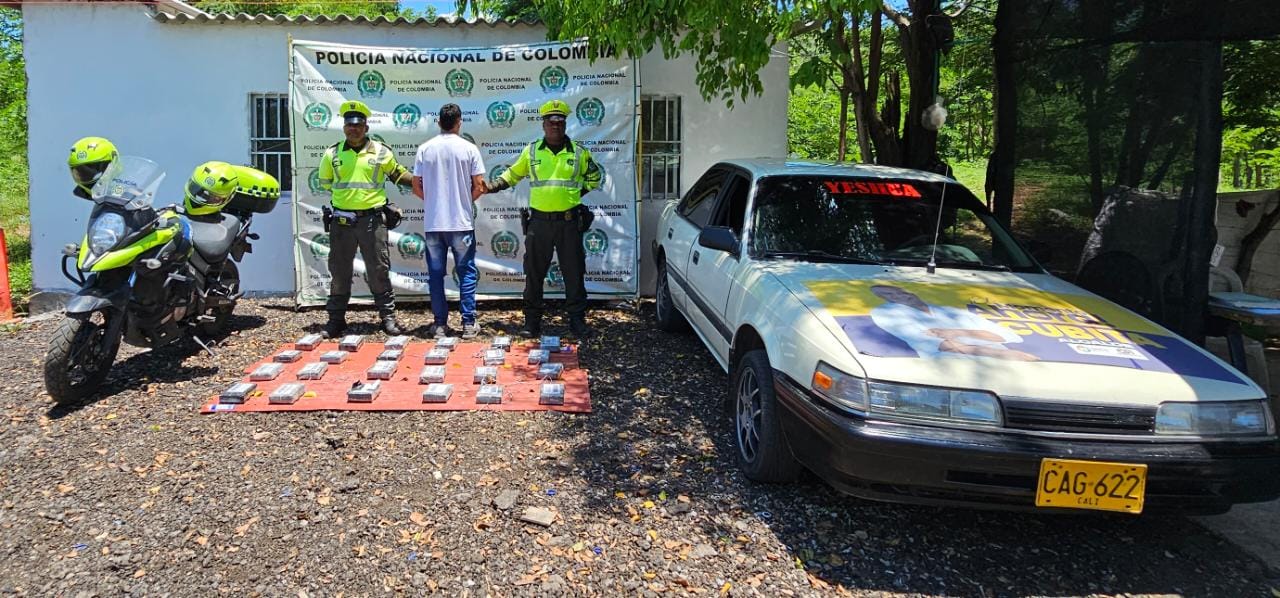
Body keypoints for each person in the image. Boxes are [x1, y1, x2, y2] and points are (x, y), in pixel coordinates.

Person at [484, 99, 602, 339]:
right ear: (543, 124)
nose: (555, 125)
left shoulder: (579, 152)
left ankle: (577, 322)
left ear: (565, 124)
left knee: (574, 273)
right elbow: (513, 174)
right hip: (539, 224)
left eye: (560, 121)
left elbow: (595, 177)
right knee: (534, 273)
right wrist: (492, 186)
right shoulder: (532, 151)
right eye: (551, 121)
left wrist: (574, 195)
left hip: (569, 223)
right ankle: (532, 323)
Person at [317, 99, 414, 337]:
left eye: (358, 124)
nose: (354, 128)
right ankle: (336, 320)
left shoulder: (381, 151)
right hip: (342, 223)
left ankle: (388, 318)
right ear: (344, 127)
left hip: (373, 221)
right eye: (350, 125)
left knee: (379, 269)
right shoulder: (332, 154)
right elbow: (326, 183)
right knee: (340, 272)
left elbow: (398, 174)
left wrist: (422, 181)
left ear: (366, 127)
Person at [412, 103, 487, 339]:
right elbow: (479, 186)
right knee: (466, 272)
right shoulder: (469, 148)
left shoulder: (425, 149)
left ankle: (440, 325)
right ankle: (468, 323)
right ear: (459, 122)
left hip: (434, 224)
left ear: (438, 123)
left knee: (436, 275)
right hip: (461, 223)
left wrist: (433, 201)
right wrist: (465, 201)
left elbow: (416, 186)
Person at [868, 284, 1038, 361]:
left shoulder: (950, 310)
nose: (899, 296)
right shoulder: (885, 313)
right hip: (956, 369)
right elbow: (934, 344)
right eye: (889, 295)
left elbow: (1004, 336)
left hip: (1015, 362)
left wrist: (959, 332)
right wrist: (1001, 354)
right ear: (886, 300)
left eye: (897, 291)